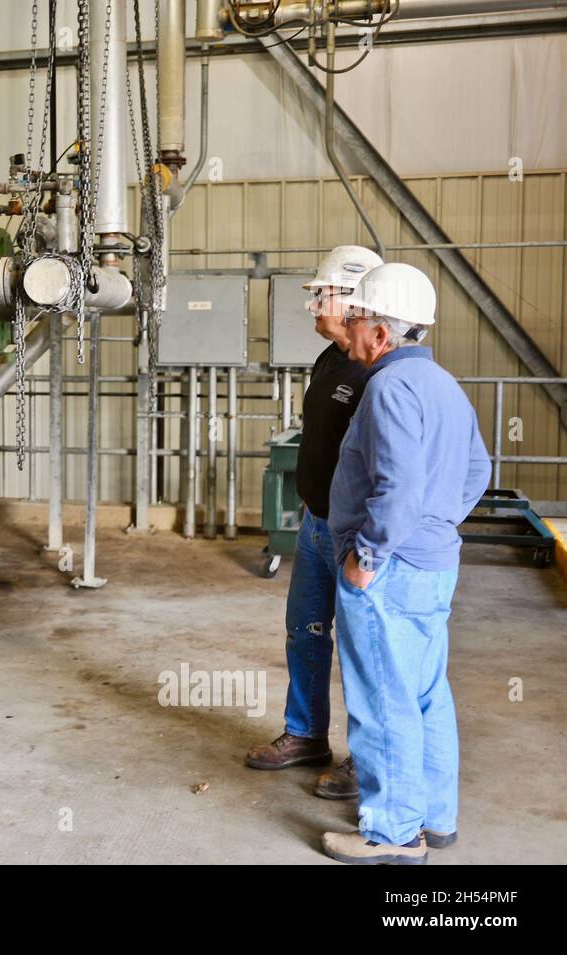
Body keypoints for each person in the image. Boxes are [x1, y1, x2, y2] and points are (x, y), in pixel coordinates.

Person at [321, 263, 491, 865]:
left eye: (358, 318)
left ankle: (392, 833)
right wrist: (437, 525)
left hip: (389, 568)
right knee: (424, 692)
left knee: (382, 698)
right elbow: (478, 472)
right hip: (434, 564)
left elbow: (397, 488)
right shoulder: (443, 384)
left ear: (382, 334)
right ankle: (436, 818)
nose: (350, 325)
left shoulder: (388, 389)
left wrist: (369, 555)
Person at [245, 246, 381, 796]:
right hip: (317, 523)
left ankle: (364, 758)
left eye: (321, 294)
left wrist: (367, 544)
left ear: (351, 301)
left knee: (363, 649)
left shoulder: (377, 369)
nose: (313, 306)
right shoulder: (330, 358)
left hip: (353, 534)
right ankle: (306, 735)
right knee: (306, 633)